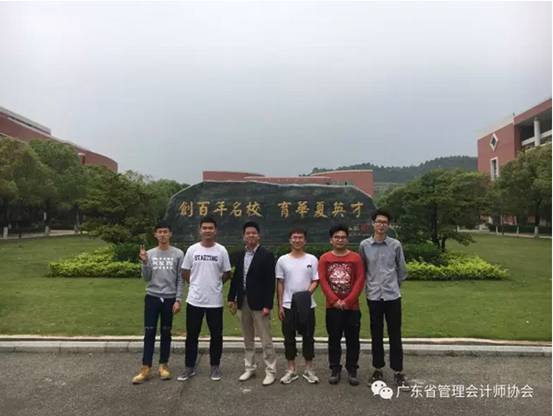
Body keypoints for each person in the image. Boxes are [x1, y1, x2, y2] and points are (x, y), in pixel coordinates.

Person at [177, 216, 231, 382]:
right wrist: (195, 284)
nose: (208, 231)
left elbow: (227, 272)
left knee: (216, 335)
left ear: (215, 231)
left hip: (214, 301)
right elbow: (185, 271)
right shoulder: (192, 250)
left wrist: (215, 284)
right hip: (195, 300)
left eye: (210, 228)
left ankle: (215, 366)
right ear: (200, 230)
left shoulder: (221, 250)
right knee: (192, 335)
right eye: (205, 228)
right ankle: (189, 367)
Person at [358, 209, 408, 386]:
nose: (381, 225)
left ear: (389, 225)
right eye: (378, 221)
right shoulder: (364, 245)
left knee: (395, 334)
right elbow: (362, 269)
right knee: (376, 334)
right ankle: (377, 369)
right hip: (373, 296)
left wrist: (393, 285)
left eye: (384, 222)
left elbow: (401, 270)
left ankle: (398, 371)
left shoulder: (395, 245)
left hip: (392, 296)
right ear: (373, 224)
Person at [132, 221, 184, 384]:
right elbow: (146, 278)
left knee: (166, 332)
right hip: (152, 297)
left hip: (169, 298)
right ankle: (146, 367)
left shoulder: (178, 254)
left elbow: (180, 279)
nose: (162, 234)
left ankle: (163, 365)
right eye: (160, 232)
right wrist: (145, 262)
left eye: (165, 231)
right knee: (149, 332)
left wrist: (178, 299)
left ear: (170, 234)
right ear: (155, 234)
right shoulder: (149, 253)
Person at [227, 221, 277, 386]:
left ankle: (270, 371)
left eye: (254, 233)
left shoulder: (266, 255)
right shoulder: (241, 255)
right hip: (243, 301)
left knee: (265, 339)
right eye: (248, 233)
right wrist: (231, 298)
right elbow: (236, 278)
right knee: (247, 338)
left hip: (260, 303)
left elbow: (270, 282)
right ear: (243, 236)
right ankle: (250, 367)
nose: (251, 235)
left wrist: (267, 305)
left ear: (259, 236)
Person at [318, 224, 365, 386]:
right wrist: (334, 300)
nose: (340, 240)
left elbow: (360, 280)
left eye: (343, 237)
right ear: (331, 240)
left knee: (353, 340)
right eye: (337, 237)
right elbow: (323, 281)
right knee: (334, 339)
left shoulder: (355, 258)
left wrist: (348, 301)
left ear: (347, 239)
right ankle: (335, 369)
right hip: (332, 308)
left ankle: (352, 369)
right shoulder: (325, 258)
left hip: (352, 308)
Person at [276, 227, 320, 384]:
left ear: (305, 240)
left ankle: (309, 369)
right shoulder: (282, 260)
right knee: (289, 338)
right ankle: (291, 369)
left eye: (300, 237)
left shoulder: (312, 259)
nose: (297, 240)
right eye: (294, 237)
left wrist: (305, 295)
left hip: (307, 305)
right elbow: (280, 283)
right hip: (288, 305)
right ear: (290, 240)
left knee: (308, 338)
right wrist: (280, 305)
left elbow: (316, 280)